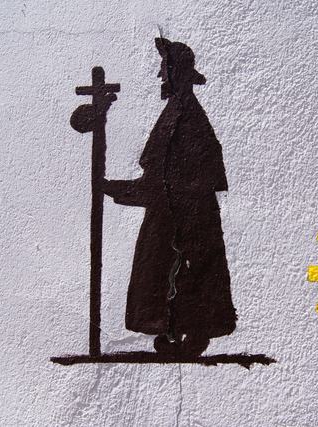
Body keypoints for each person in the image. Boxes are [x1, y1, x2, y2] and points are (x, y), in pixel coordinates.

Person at [102, 38, 236, 356]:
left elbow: (172, 177)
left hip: (183, 218)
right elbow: (161, 174)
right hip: (174, 213)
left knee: (180, 268)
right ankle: (173, 328)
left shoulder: (185, 116)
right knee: (167, 269)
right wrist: (119, 188)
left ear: (176, 72)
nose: (160, 74)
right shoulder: (177, 111)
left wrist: (120, 189)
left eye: (165, 68)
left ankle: (190, 329)